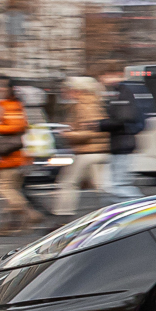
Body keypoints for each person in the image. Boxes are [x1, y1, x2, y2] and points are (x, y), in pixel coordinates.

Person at [0, 77, 45, 234]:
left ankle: (31, 214)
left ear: (9, 89)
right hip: (6, 157)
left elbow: (16, 126)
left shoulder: (11, 106)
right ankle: (10, 226)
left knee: (4, 189)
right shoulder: (1, 105)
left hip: (11, 157)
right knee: (10, 191)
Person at [52, 74, 110, 217]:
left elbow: (90, 131)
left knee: (67, 183)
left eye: (68, 89)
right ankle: (116, 214)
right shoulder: (94, 103)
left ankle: (62, 216)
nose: (65, 92)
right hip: (98, 151)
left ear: (78, 90)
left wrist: (67, 134)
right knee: (103, 187)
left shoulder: (84, 106)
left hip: (88, 153)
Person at [97, 63, 151, 199]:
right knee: (114, 186)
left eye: (105, 76)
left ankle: (141, 208)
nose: (102, 80)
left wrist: (100, 124)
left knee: (120, 185)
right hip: (121, 142)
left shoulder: (123, 91)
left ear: (116, 75)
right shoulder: (118, 92)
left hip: (123, 142)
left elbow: (124, 117)